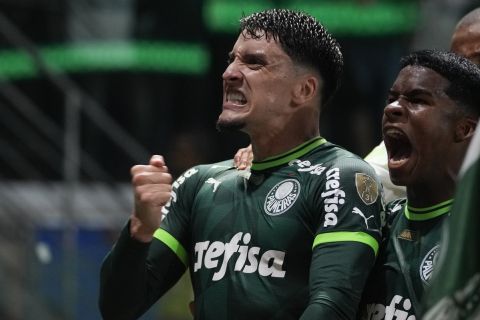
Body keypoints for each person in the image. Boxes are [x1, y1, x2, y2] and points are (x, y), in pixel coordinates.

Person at [99, 9, 384, 320]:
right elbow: (117, 308)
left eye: (254, 63)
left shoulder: (340, 176)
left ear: (304, 90)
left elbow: (332, 307)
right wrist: (139, 231)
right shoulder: (198, 183)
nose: (230, 73)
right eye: (232, 59)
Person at [358, 50, 480, 319]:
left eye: (417, 100)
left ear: (465, 129)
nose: (392, 108)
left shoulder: (470, 236)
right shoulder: (370, 223)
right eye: (391, 99)